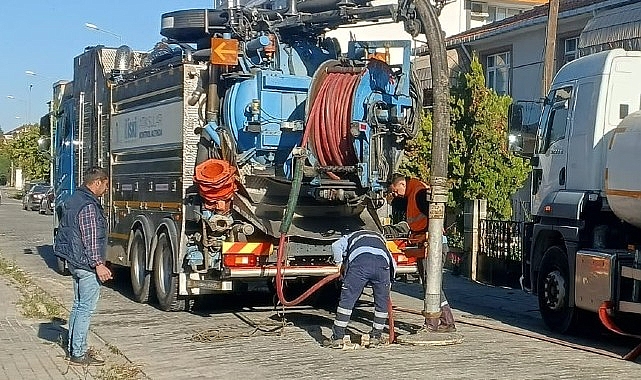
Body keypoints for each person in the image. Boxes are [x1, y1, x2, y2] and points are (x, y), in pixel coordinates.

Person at [54, 167, 112, 366]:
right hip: (86, 265)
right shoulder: (88, 206)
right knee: (85, 309)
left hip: (74, 262)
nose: (106, 189)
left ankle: (73, 347)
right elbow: (90, 239)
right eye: (105, 185)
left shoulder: (72, 200)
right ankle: (78, 352)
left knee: (78, 306)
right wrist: (98, 265)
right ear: (97, 183)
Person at [388, 173, 456, 333]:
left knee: (431, 284)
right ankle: (446, 321)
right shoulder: (413, 193)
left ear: (402, 184)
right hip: (426, 244)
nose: (396, 193)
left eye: (395, 190)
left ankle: (434, 324)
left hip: (431, 245)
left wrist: (431, 239)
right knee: (430, 284)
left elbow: (435, 216)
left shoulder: (419, 193)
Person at [324, 229, 397, 349]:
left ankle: (337, 338)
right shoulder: (380, 239)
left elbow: (335, 245)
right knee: (381, 304)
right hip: (382, 266)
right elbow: (392, 262)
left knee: (347, 302)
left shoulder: (350, 237)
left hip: (360, 264)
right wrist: (389, 282)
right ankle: (376, 338)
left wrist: (339, 264)